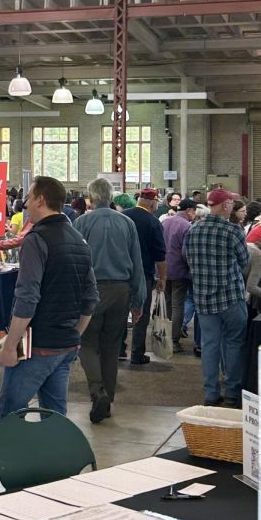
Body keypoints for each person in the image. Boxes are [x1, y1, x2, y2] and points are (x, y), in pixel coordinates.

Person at [0, 176, 97, 421]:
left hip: (37, 346)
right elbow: (90, 297)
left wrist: (10, 346)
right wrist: (75, 335)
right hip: (66, 345)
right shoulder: (79, 240)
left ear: (40, 200)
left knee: (8, 414)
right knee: (54, 416)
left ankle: (10, 460)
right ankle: (53, 459)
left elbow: (27, 297)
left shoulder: (36, 240)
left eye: (29, 197)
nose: (25, 204)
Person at [74, 177, 146, 423]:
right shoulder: (127, 223)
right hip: (121, 290)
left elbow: (75, 262)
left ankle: (97, 392)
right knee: (112, 347)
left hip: (91, 290)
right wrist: (139, 301)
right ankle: (108, 399)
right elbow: (137, 262)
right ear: (111, 196)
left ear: (90, 197)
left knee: (87, 342)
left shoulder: (81, 222)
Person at [184, 188, 249, 407]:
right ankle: (232, 392)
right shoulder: (234, 230)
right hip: (230, 296)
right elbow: (244, 261)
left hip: (203, 297)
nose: (233, 206)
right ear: (224, 206)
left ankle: (211, 394)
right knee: (233, 344)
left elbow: (187, 258)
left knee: (210, 345)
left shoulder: (193, 229)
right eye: (231, 202)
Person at [123, 188, 166, 365]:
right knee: (141, 314)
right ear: (153, 202)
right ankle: (137, 353)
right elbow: (160, 255)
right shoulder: (153, 222)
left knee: (120, 312)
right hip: (144, 275)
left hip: (122, 273)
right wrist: (162, 278)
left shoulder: (123, 217)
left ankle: (118, 348)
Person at [162, 197, 198, 352]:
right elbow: (186, 253)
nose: (194, 215)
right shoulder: (187, 226)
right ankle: (174, 341)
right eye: (194, 211)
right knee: (178, 306)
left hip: (163, 270)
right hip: (179, 271)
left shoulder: (165, 222)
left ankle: (164, 338)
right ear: (189, 210)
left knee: (168, 305)